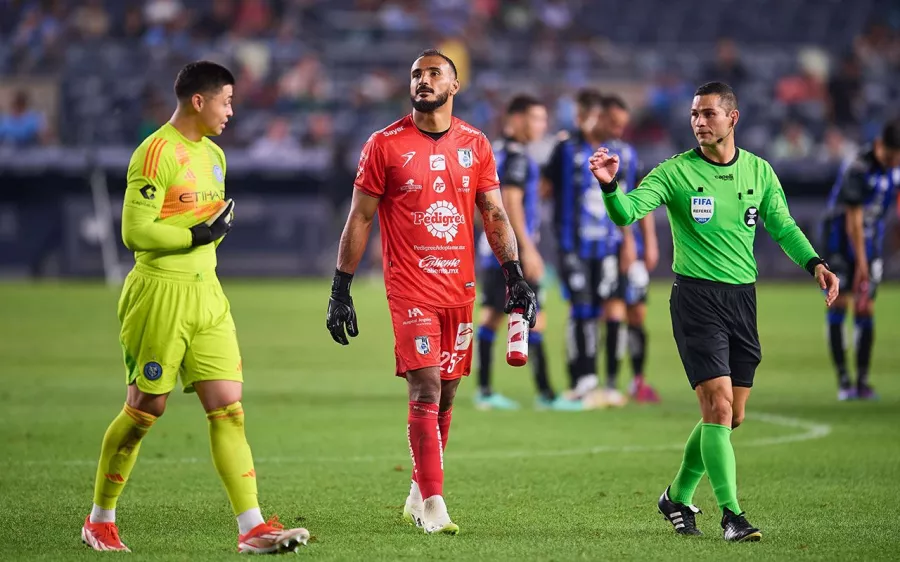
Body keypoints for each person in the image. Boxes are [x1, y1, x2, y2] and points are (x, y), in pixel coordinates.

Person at [588, 81, 839, 541]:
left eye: (708, 114)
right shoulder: (674, 173)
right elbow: (627, 213)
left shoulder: (759, 172)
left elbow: (781, 224)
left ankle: (677, 496)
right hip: (696, 299)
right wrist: (610, 187)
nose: (699, 122)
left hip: (743, 300)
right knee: (719, 406)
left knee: (729, 416)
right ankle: (732, 515)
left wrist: (815, 263)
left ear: (733, 118)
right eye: (694, 115)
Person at [80, 61, 309, 554]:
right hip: (160, 293)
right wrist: (197, 233)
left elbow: (206, 223)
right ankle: (100, 519)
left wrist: (213, 230)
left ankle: (252, 528)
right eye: (226, 101)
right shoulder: (155, 152)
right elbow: (135, 231)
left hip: (208, 294)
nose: (232, 110)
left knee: (229, 409)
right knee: (145, 410)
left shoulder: (215, 157)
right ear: (199, 101)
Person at [325, 49, 537, 535]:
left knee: (446, 395)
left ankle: (419, 492)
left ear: (454, 86)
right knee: (425, 386)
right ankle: (436, 506)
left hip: (459, 287)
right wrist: (342, 286)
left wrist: (515, 274)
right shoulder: (383, 144)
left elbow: (494, 213)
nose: (422, 80)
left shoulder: (476, 144)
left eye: (433, 73)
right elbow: (359, 217)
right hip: (410, 287)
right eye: (417, 74)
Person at [473, 95, 581, 411]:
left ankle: (488, 390)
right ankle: (542, 394)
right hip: (510, 251)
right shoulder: (517, 157)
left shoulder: (502, 152)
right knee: (525, 317)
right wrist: (528, 251)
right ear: (516, 119)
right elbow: (511, 205)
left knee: (495, 316)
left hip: (494, 250)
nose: (541, 126)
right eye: (536, 119)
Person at [543, 88, 635, 408]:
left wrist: (630, 242)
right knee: (581, 308)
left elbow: (628, 201)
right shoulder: (565, 149)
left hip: (608, 246)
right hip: (572, 245)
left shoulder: (620, 153)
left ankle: (607, 383)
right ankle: (583, 380)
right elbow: (542, 186)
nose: (608, 126)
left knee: (609, 309)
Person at [820, 120, 900, 400]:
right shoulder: (858, 168)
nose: (892, 163)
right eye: (889, 157)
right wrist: (862, 266)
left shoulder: (894, 170)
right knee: (840, 301)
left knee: (866, 306)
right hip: (840, 242)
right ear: (879, 145)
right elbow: (853, 222)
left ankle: (863, 381)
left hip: (870, 243)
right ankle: (844, 381)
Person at [594, 94, 660, 403]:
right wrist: (628, 242)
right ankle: (609, 383)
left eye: (623, 124)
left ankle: (637, 380)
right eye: (614, 123)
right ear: (602, 119)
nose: (618, 130)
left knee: (637, 312)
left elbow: (641, 201)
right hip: (610, 245)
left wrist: (650, 242)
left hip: (630, 245)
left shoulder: (629, 155)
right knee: (613, 310)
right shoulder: (591, 154)